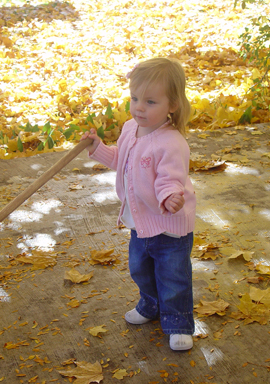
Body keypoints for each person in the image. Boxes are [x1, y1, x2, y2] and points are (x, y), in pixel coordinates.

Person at [81, 57, 196, 351]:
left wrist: (170, 197)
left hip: (169, 226)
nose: (139, 107)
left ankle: (178, 323)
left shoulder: (171, 142)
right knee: (140, 270)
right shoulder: (131, 128)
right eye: (134, 98)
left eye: (150, 101)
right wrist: (98, 149)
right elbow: (122, 160)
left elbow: (171, 178)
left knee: (173, 277)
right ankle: (150, 305)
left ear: (172, 105)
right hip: (140, 222)